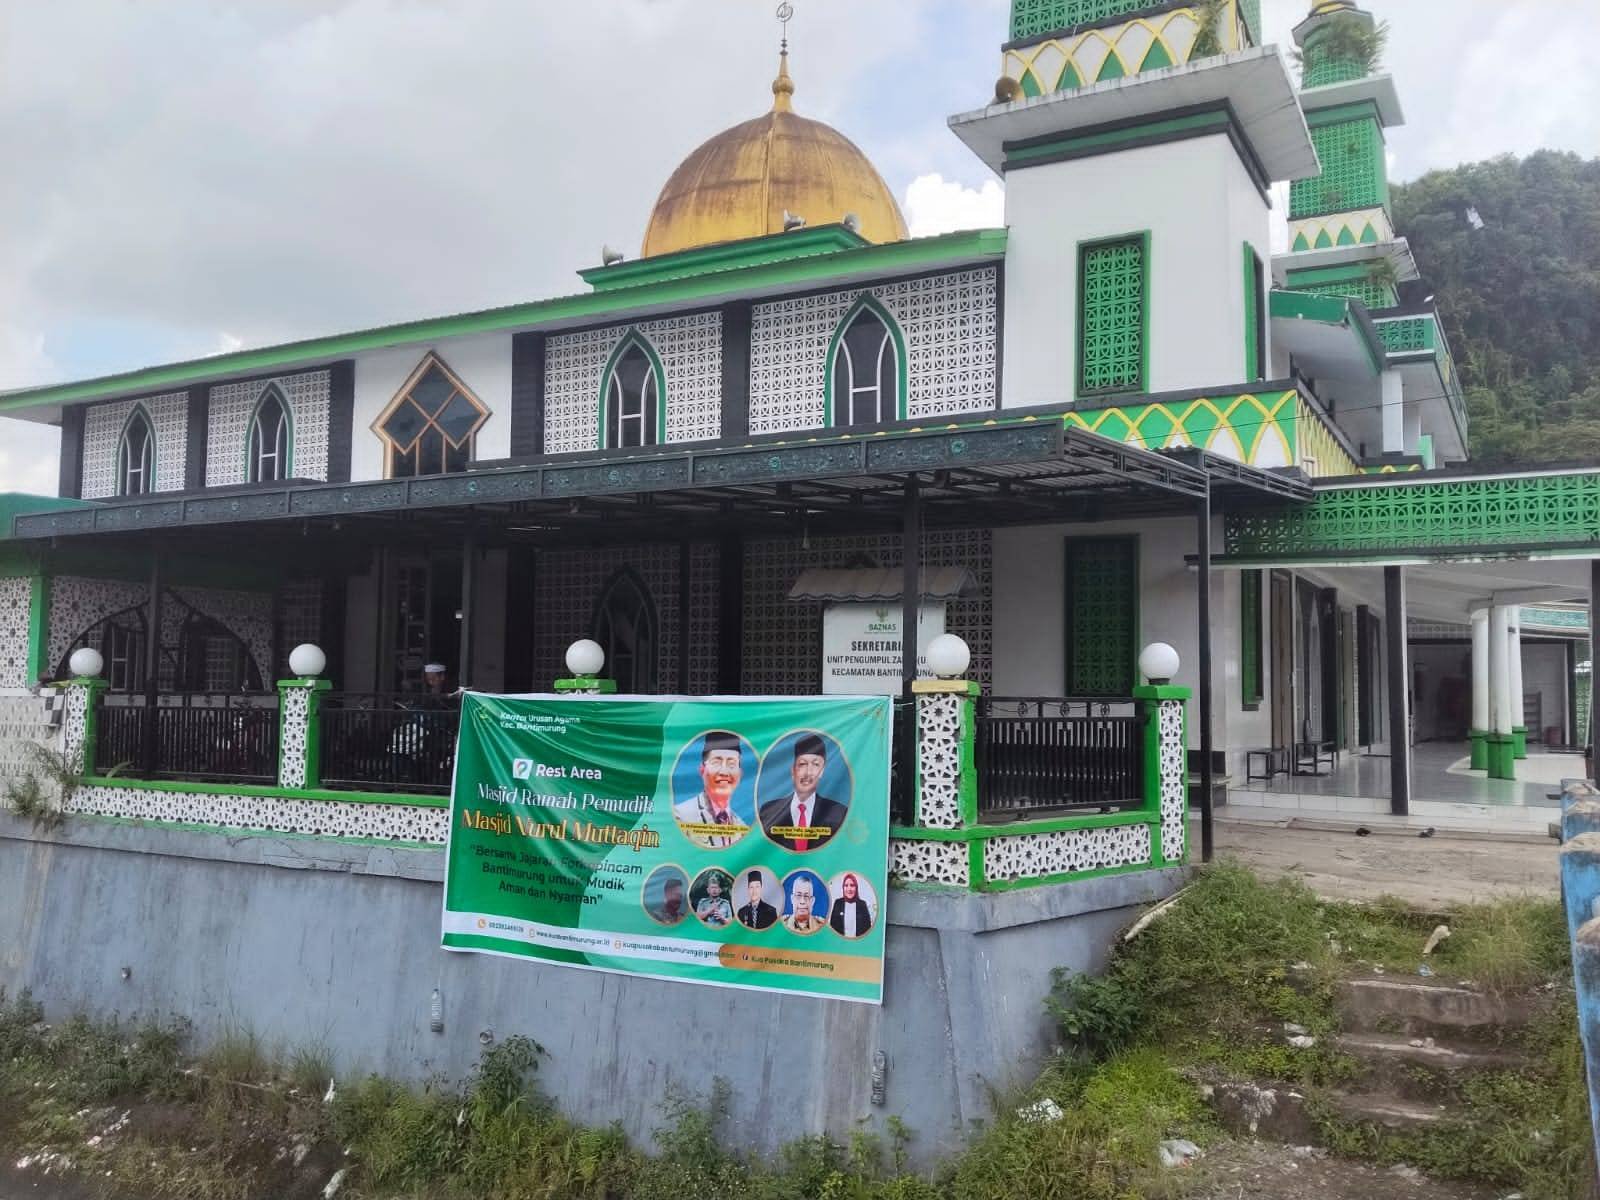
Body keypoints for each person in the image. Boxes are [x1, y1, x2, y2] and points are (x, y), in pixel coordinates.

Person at [759, 733, 848, 851]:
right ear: (793, 770)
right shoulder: (769, 811)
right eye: (802, 764)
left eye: (816, 765)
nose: (808, 772)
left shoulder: (838, 813)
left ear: (822, 771)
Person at [672, 731, 749, 848]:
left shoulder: (743, 831)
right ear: (702, 770)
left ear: (740, 774)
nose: (724, 772)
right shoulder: (681, 816)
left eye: (732, 764)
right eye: (716, 763)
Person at [828, 872, 873, 939]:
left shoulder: (862, 904)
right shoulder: (838, 903)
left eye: (852, 885)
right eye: (846, 885)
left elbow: (867, 929)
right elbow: (833, 927)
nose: (849, 889)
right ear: (843, 888)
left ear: (856, 887)